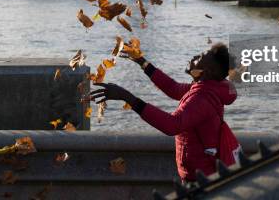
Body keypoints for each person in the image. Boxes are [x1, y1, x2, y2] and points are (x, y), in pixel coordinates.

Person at [90, 43, 238, 183]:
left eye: (199, 57)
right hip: (201, 173)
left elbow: (172, 125)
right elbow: (173, 88)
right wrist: (142, 62)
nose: (194, 58)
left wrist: (127, 97)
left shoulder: (203, 98)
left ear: (208, 71)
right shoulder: (205, 88)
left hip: (201, 178)